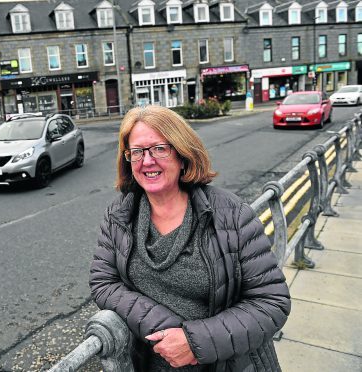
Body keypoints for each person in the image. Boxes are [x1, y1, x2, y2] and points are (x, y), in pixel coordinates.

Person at [90, 105, 291, 371]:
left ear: (183, 153)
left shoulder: (231, 215)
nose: (147, 161)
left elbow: (271, 302)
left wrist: (195, 342)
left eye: (160, 148)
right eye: (136, 152)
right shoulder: (119, 214)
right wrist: (166, 328)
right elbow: (103, 281)